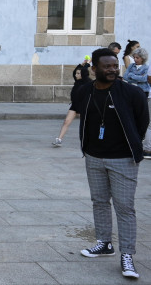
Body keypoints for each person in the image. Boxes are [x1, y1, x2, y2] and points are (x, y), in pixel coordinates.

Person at [72, 48, 148, 279]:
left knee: (125, 207)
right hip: (94, 156)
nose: (113, 70)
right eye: (107, 66)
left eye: (115, 66)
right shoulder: (86, 91)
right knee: (100, 201)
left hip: (123, 159)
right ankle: (104, 243)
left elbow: (142, 121)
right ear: (94, 69)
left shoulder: (131, 93)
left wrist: (132, 145)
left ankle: (127, 254)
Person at [53, 62, 91, 147]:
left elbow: (84, 72)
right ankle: (59, 139)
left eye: (78, 73)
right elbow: (74, 72)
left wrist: (87, 64)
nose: (76, 75)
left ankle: (88, 141)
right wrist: (82, 64)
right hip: (74, 105)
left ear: (83, 74)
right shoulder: (77, 81)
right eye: (76, 73)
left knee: (85, 124)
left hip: (83, 106)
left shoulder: (87, 81)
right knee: (66, 121)